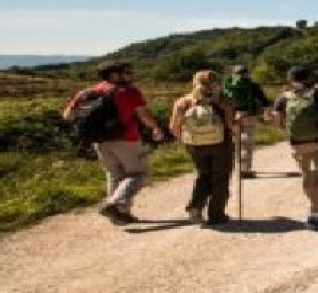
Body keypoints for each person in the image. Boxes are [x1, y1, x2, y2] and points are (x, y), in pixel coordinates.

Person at [62, 61, 165, 225]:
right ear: (114, 75)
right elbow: (143, 114)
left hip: (100, 141)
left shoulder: (87, 92)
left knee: (114, 175)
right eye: (125, 72)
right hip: (127, 139)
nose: (129, 75)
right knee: (139, 174)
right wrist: (156, 128)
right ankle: (113, 204)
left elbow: (67, 115)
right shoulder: (129, 92)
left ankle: (120, 214)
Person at [169, 70, 237, 225]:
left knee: (203, 175)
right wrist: (237, 122)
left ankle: (195, 206)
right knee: (220, 177)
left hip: (195, 145)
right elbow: (230, 124)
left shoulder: (183, 102)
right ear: (215, 83)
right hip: (221, 144)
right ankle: (216, 214)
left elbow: (174, 126)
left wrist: (186, 142)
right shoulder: (223, 100)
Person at [272, 66, 318, 230]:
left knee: (306, 174)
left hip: (297, 143)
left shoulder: (284, 97)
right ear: (310, 78)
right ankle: (315, 213)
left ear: (290, 79)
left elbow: (278, 123)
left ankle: (313, 203)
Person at [222, 64, 270, 178]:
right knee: (246, 143)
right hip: (248, 115)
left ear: (234, 73)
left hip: (231, 116)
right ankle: (244, 170)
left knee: (234, 142)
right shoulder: (253, 85)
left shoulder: (227, 85)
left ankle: (232, 168)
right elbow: (263, 101)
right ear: (246, 73)